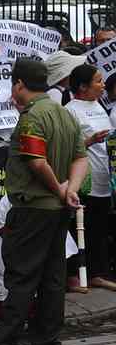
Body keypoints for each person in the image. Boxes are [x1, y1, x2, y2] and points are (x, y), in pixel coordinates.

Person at [0, 59, 89, 345]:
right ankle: (47, 342)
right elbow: (80, 158)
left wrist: (61, 190)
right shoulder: (65, 114)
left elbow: (36, 163)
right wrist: (69, 189)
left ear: (19, 84)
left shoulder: (32, 118)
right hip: (56, 211)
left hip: (32, 209)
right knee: (51, 277)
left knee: (20, 277)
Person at [66, 64, 116, 292]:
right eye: (98, 81)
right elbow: (67, 148)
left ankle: (99, 273)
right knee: (81, 228)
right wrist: (90, 141)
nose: (103, 85)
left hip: (105, 177)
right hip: (85, 180)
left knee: (100, 228)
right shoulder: (70, 110)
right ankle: (76, 275)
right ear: (83, 86)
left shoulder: (99, 105)